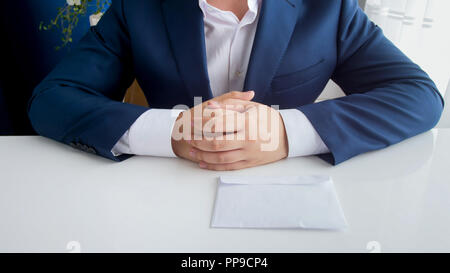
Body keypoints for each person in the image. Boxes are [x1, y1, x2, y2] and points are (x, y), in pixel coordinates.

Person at [28, 0, 444, 171]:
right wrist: (173, 132)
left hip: (294, 199)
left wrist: (285, 132)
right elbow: (52, 99)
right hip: (162, 195)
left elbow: (418, 95)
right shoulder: (137, 7)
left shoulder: (330, 7)